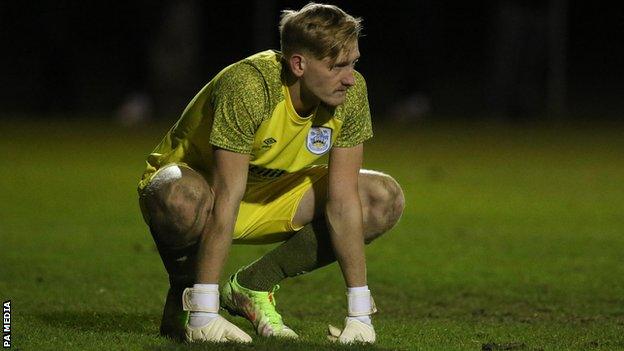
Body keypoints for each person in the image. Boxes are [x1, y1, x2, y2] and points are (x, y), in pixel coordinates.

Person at [137, 2, 405, 344]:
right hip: (205, 191)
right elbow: (227, 192)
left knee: (382, 198)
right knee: (181, 198)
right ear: (298, 64)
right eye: (338, 66)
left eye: (353, 62)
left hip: (270, 194)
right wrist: (206, 311)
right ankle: (187, 297)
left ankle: (254, 284)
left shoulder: (350, 93)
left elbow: (343, 200)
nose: (350, 77)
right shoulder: (250, 86)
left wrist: (360, 316)